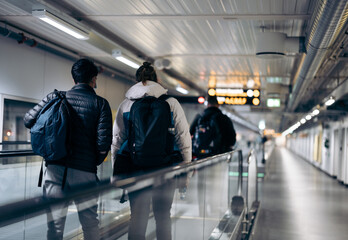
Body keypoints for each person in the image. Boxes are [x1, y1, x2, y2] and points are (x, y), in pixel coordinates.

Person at [24, 58, 112, 240]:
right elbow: (103, 144)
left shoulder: (54, 97)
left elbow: (28, 120)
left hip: (55, 169)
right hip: (85, 173)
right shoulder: (101, 104)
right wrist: (90, 162)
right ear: (93, 79)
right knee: (89, 223)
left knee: (55, 226)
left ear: (74, 79)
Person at [111, 62, 191, 240]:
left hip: (135, 169)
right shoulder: (171, 103)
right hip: (165, 170)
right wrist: (186, 173)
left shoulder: (126, 104)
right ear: (157, 81)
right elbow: (184, 138)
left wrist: (117, 173)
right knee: (163, 217)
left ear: (137, 80)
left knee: (137, 218)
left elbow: (116, 140)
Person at [190, 95, 236, 159]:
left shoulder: (199, 117)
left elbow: (189, 134)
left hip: (199, 157)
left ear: (208, 104)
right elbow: (232, 140)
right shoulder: (224, 119)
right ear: (218, 105)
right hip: (218, 157)